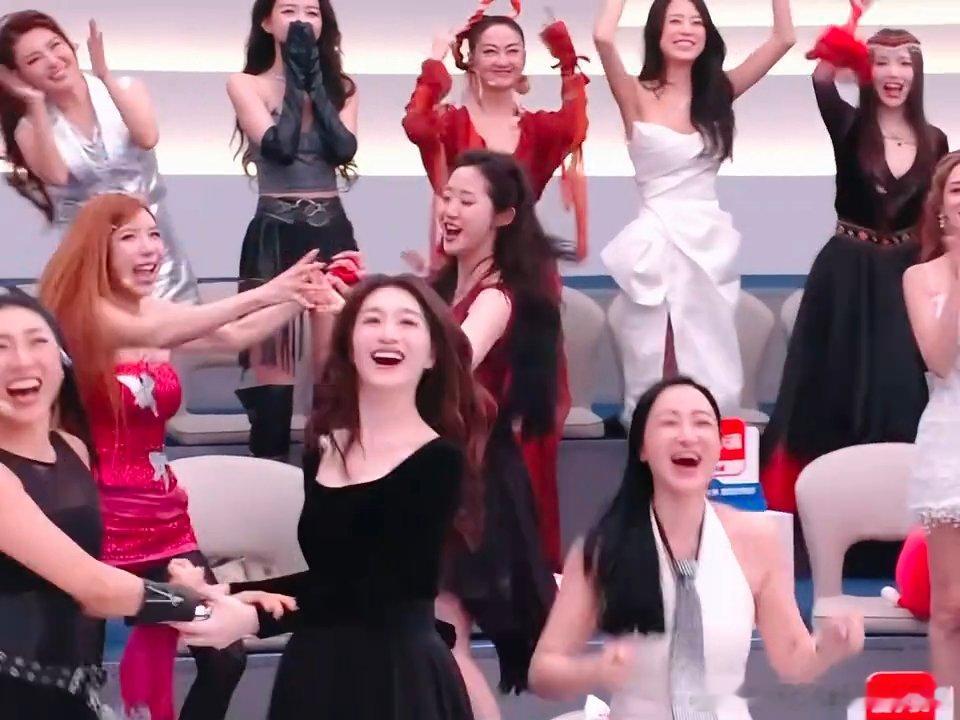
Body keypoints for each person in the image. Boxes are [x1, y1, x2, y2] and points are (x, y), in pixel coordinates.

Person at [38, 192, 341, 720]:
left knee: (223, 653)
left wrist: (303, 294)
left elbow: (237, 334)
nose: (150, 248)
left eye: (155, 235)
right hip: (93, 520)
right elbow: (159, 333)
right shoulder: (84, 316)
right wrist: (272, 288)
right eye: (130, 237)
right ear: (97, 249)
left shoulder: (156, 312)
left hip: (163, 520)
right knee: (77, 668)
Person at [171, 274, 491, 720]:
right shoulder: (324, 447)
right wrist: (219, 592)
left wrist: (252, 616)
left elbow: (376, 590)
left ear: (433, 354)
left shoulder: (439, 461)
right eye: (372, 320)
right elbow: (329, 577)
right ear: (349, 344)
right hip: (315, 669)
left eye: (407, 322)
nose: (388, 334)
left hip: (396, 678)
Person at [528, 377, 865, 719]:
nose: (687, 436)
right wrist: (596, 670)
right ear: (642, 448)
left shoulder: (757, 539)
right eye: (669, 423)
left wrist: (830, 648)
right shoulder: (604, 546)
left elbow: (793, 660)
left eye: (702, 423)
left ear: (719, 447)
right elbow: (543, 671)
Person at [761, 28, 950, 513]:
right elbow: (822, 79)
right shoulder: (848, 124)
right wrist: (848, 29)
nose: (894, 73)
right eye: (882, 62)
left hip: (905, 276)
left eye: (904, 63)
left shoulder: (935, 140)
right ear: (869, 71)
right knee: (832, 388)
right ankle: (828, 507)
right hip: (845, 274)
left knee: (900, 386)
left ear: (917, 73)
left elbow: (934, 216)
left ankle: (901, 507)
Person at [0, 288, 212, 720]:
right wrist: (201, 605)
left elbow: (94, 596)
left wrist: (201, 593)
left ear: (62, 357)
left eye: (37, 341)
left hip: (73, 689)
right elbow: (95, 587)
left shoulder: (72, 447)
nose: (22, 360)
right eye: (0, 348)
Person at [594, 0, 795, 427]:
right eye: (676, 21)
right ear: (657, 32)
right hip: (656, 242)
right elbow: (603, 37)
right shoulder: (635, 93)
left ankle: (707, 442)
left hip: (706, 243)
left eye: (696, 22)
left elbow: (784, 39)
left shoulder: (718, 93)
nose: (686, 29)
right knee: (655, 356)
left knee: (708, 358)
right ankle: (652, 444)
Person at [430, 149, 562, 718]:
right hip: (446, 472)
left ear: (503, 216)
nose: (450, 210)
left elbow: (450, 364)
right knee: (439, 638)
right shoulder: (446, 287)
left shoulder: (496, 296)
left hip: (471, 481)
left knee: (445, 637)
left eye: (467, 200)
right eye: (447, 197)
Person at [228, 0, 361, 459]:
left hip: (331, 231)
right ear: (267, 22)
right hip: (275, 232)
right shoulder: (244, 84)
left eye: (312, 11)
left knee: (332, 369)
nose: (302, 20)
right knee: (274, 376)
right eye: (288, 10)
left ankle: (330, 480)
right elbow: (279, 147)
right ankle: (267, 482)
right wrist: (297, 80)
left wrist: (315, 79)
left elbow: (343, 148)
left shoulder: (344, 88)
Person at [0, 10, 197, 302]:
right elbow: (56, 176)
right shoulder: (29, 128)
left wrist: (104, 75)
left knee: (181, 323)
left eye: (55, 46)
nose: (52, 61)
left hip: (156, 256)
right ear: (17, 76)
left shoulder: (127, 88)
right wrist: (34, 102)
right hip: (93, 266)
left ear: (71, 45)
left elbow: (147, 138)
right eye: (34, 60)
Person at [402, 3, 589, 263]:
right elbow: (417, 126)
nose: (502, 61)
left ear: (523, 58)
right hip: (461, 262)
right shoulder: (450, 124)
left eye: (512, 51)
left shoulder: (539, 130)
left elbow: (574, 128)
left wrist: (568, 64)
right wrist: (434, 62)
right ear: (472, 59)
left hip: (523, 261)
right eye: (490, 51)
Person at [902, 151, 960, 710]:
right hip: (951, 437)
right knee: (951, 605)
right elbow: (940, 361)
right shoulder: (920, 277)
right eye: (959, 190)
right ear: (941, 206)